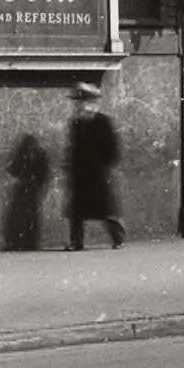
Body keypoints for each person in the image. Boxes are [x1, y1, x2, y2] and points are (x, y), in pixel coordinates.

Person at [63, 81, 124, 248]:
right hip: (80, 173)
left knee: (104, 209)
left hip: (97, 172)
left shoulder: (102, 121)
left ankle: (118, 237)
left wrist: (103, 165)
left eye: (82, 102)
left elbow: (111, 148)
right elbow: (73, 147)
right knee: (77, 211)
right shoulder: (76, 123)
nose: (79, 105)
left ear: (91, 103)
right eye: (77, 102)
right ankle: (76, 242)